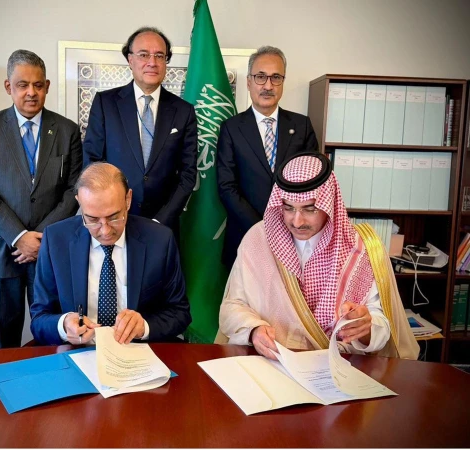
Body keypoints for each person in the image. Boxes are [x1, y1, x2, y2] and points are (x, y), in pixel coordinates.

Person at [217, 152, 419, 360]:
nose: (297, 221)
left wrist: (366, 329)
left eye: (310, 209)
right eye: (288, 208)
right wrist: (254, 330)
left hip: (337, 366)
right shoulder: (257, 240)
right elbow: (232, 307)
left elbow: (382, 325)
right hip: (272, 361)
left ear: (328, 204)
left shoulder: (361, 249)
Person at [0, 49, 83, 349]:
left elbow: (73, 190)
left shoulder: (67, 130)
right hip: (1, 250)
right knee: (2, 340)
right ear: (9, 87)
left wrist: (40, 238)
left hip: (49, 251)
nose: (31, 92)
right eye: (22, 85)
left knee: (51, 336)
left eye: (38, 85)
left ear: (47, 86)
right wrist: (19, 237)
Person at [30, 162, 192, 346]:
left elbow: (180, 313)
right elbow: (39, 319)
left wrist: (144, 327)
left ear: (128, 200)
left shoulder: (160, 240)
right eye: (92, 219)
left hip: (136, 350)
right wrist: (64, 325)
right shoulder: (56, 240)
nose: (105, 231)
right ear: (80, 203)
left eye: (114, 217)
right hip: (78, 351)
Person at [82, 26, 197, 237]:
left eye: (159, 56)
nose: (152, 62)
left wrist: (162, 220)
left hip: (164, 226)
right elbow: (92, 162)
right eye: (144, 55)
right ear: (130, 59)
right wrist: (109, 213)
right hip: (113, 222)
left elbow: (188, 174)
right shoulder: (105, 104)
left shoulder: (184, 111)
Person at [217, 46, 319, 268]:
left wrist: (287, 224)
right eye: (260, 77)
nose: (268, 85)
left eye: (276, 77)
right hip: (245, 235)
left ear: (283, 82)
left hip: (293, 237)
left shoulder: (301, 126)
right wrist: (262, 227)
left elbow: (312, 185)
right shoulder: (231, 128)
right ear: (249, 82)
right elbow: (226, 187)